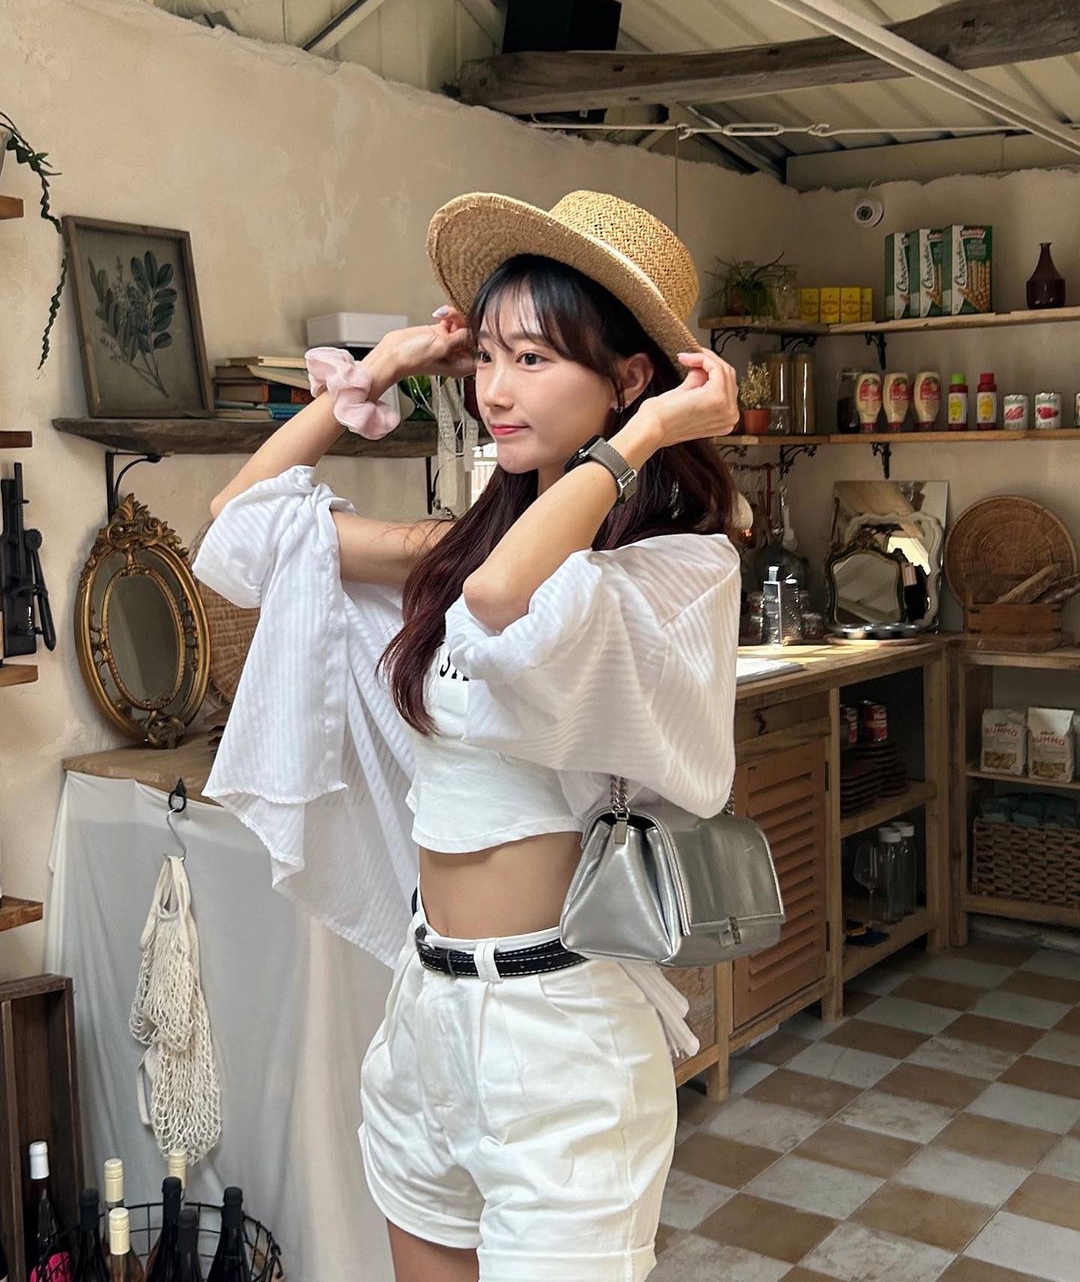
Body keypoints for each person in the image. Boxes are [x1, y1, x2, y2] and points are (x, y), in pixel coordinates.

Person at [197, 190, 740, 1282]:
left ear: (628, 377)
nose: (494, 389)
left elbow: (502, 600)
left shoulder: (678, 567)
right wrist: (381, 370)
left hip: (562, 1029)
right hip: (428, 1007)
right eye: (486, 355)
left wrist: (644, 436)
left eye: (533, 358)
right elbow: (239, 528)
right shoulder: (462, 547)